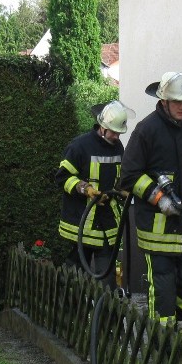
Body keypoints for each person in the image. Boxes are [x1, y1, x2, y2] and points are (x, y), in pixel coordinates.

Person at [120, 71, 182, 325]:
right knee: (163, 284)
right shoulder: (146, 130)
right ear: (163, 101)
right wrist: (159, 197)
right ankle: (162, 342)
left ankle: (179, 318)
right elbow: (129, 176)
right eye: (177, 102)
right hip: (158, 225)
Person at [56, 100, 135, 287]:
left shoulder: (117, 147)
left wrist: (122, 189)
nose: (116, 136)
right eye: (113, 132)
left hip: (106, 223)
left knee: (106, 280)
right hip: (81, 224)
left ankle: (102, 313)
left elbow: (119, 175)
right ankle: (70, 310)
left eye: (119, 132)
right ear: (102, 126)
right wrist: (85, 189)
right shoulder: (79, 146)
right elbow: (63, 177)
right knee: (74, 277)